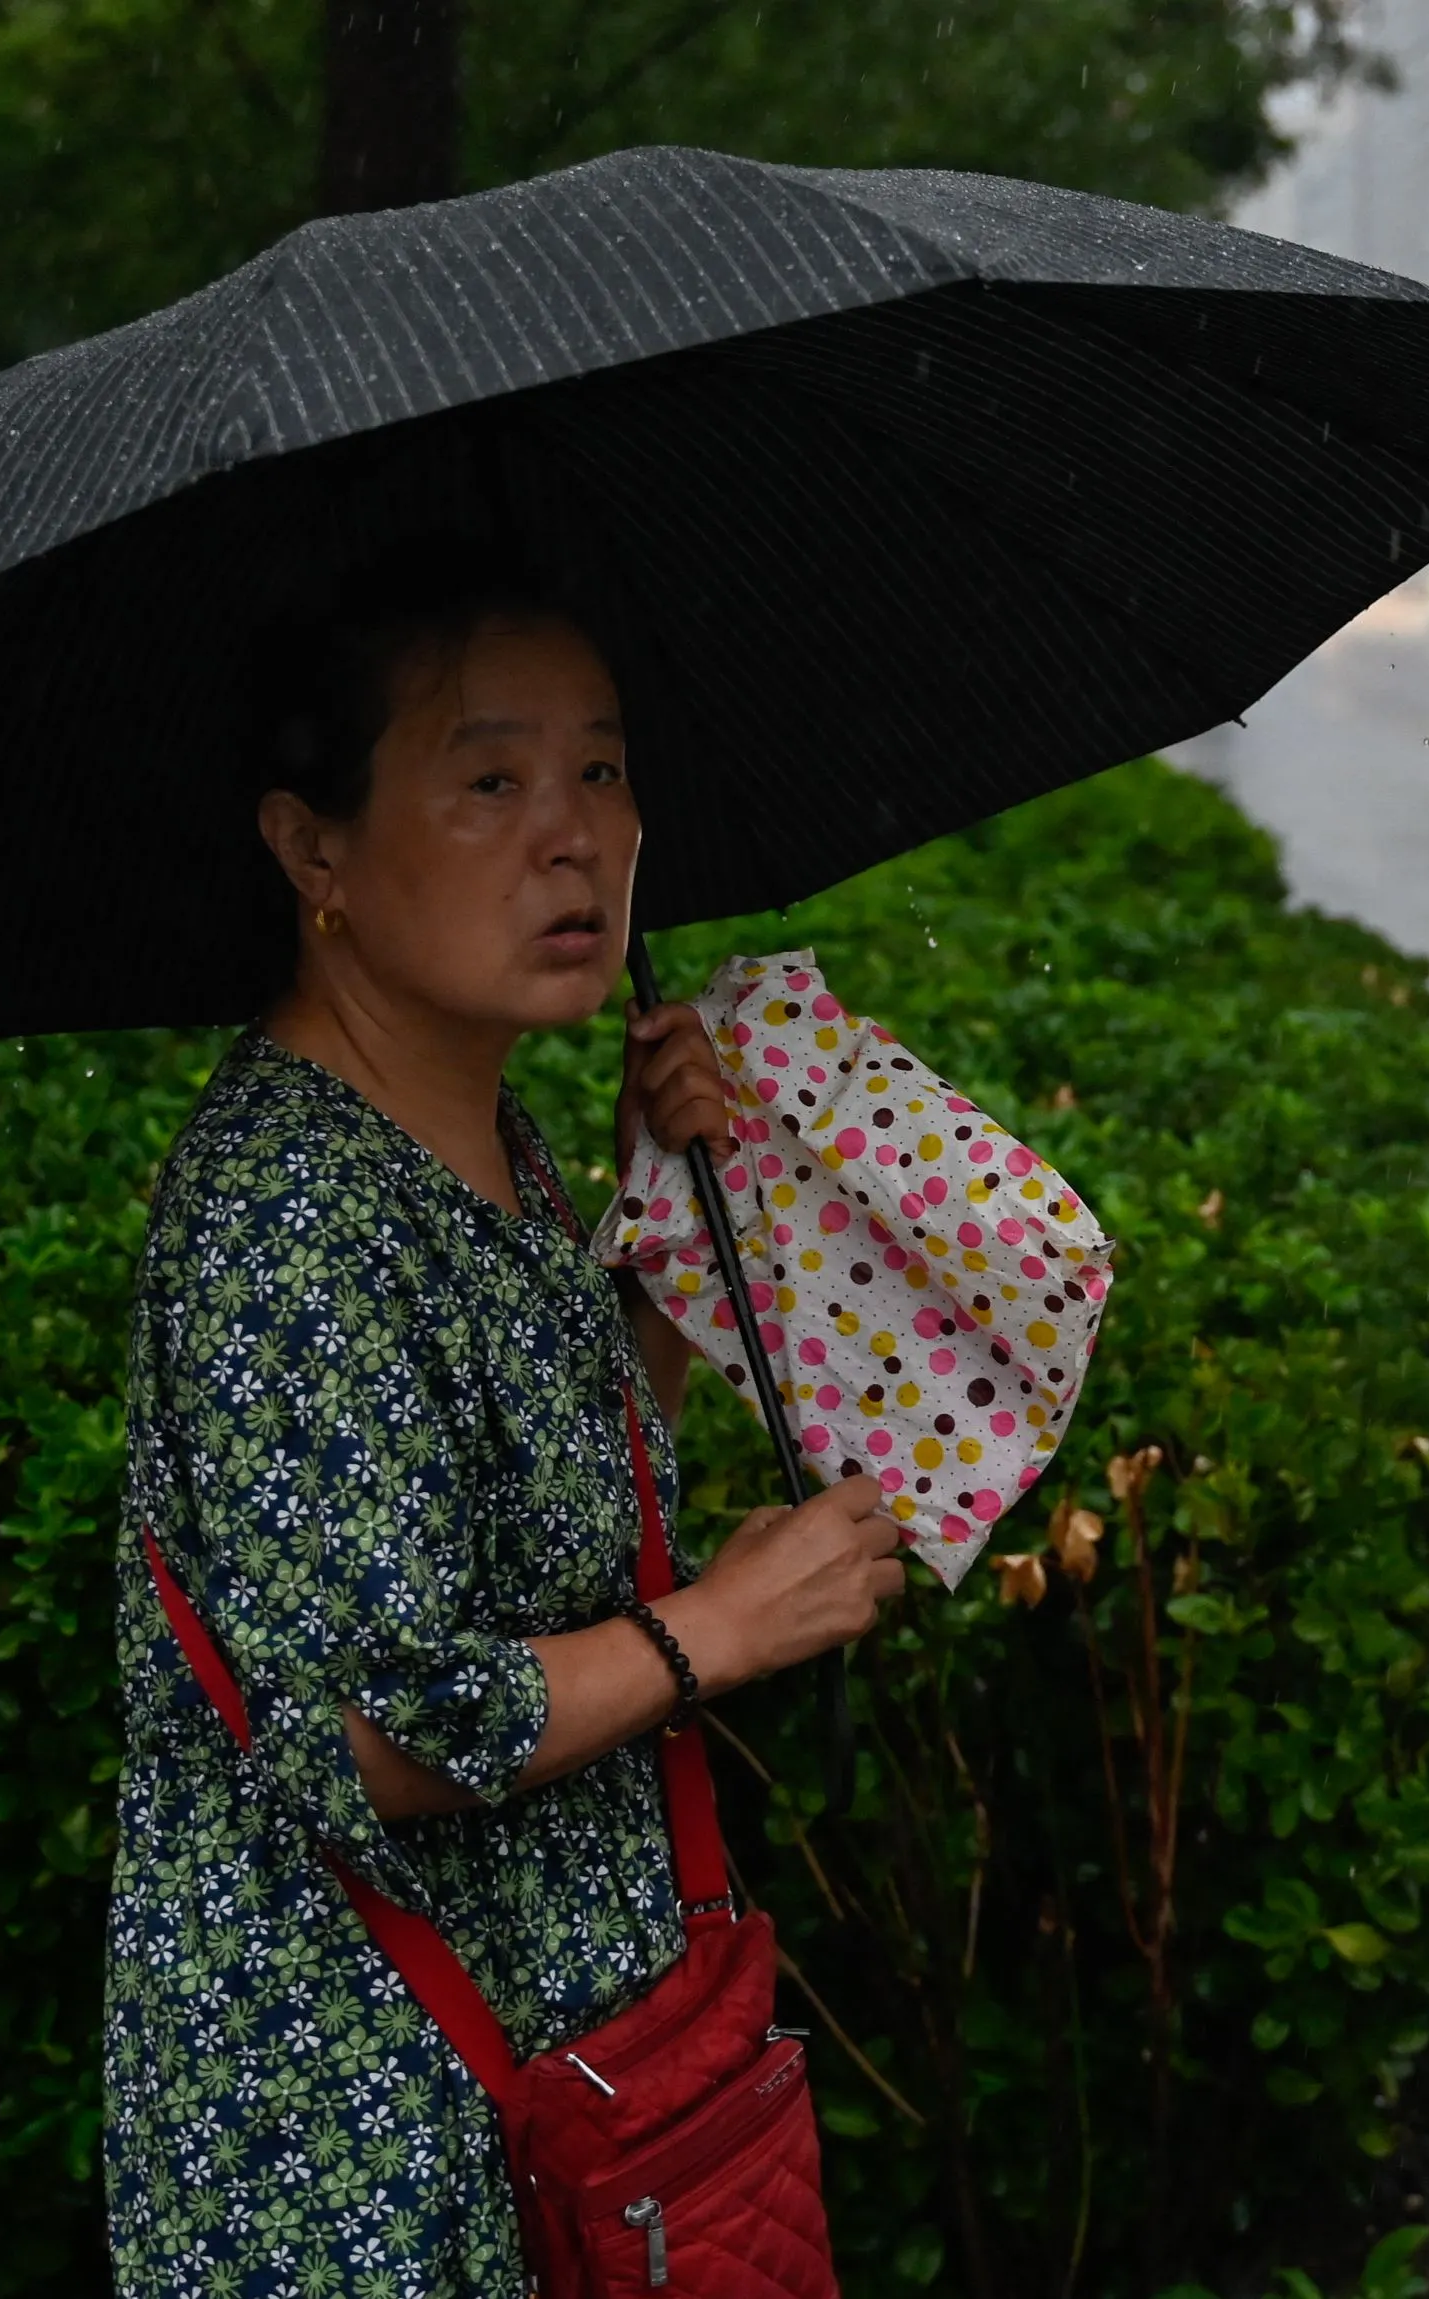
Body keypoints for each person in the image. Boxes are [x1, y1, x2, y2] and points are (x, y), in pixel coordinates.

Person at [100, 573, 903, 2294]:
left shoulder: (489, 1137)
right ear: (313, 853)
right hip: (363, 2152)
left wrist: (664, 1230)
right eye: (491, 781)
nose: (576, 840)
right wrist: (729, 1627)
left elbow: (552, 1513)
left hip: (567, 2102)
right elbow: (378, 1725)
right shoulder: (288, 1218)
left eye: (603, 773)